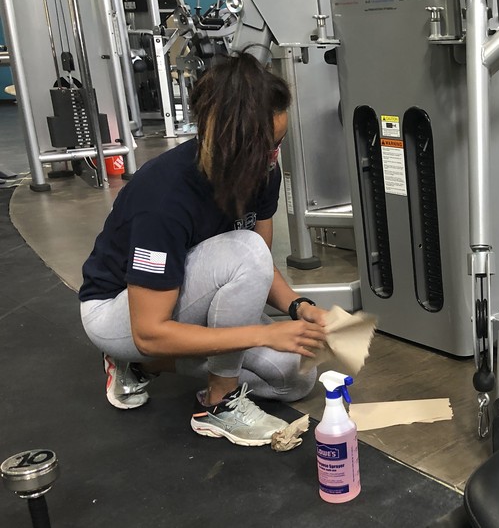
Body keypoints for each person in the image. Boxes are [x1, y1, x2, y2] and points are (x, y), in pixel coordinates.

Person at [78, 53, 331, 447]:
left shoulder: (263, 172)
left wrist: (300, 307)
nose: (274, 158)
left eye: (278, 144)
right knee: (245, 256)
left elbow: (261, 265)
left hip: (184, 300)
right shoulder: (163, 196)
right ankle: (220, 403)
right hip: (120, 313)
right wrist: (262, 336)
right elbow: (149, 331)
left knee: (296, 378)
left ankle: (146, 367)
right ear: (233, 146)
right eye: (267, 148)